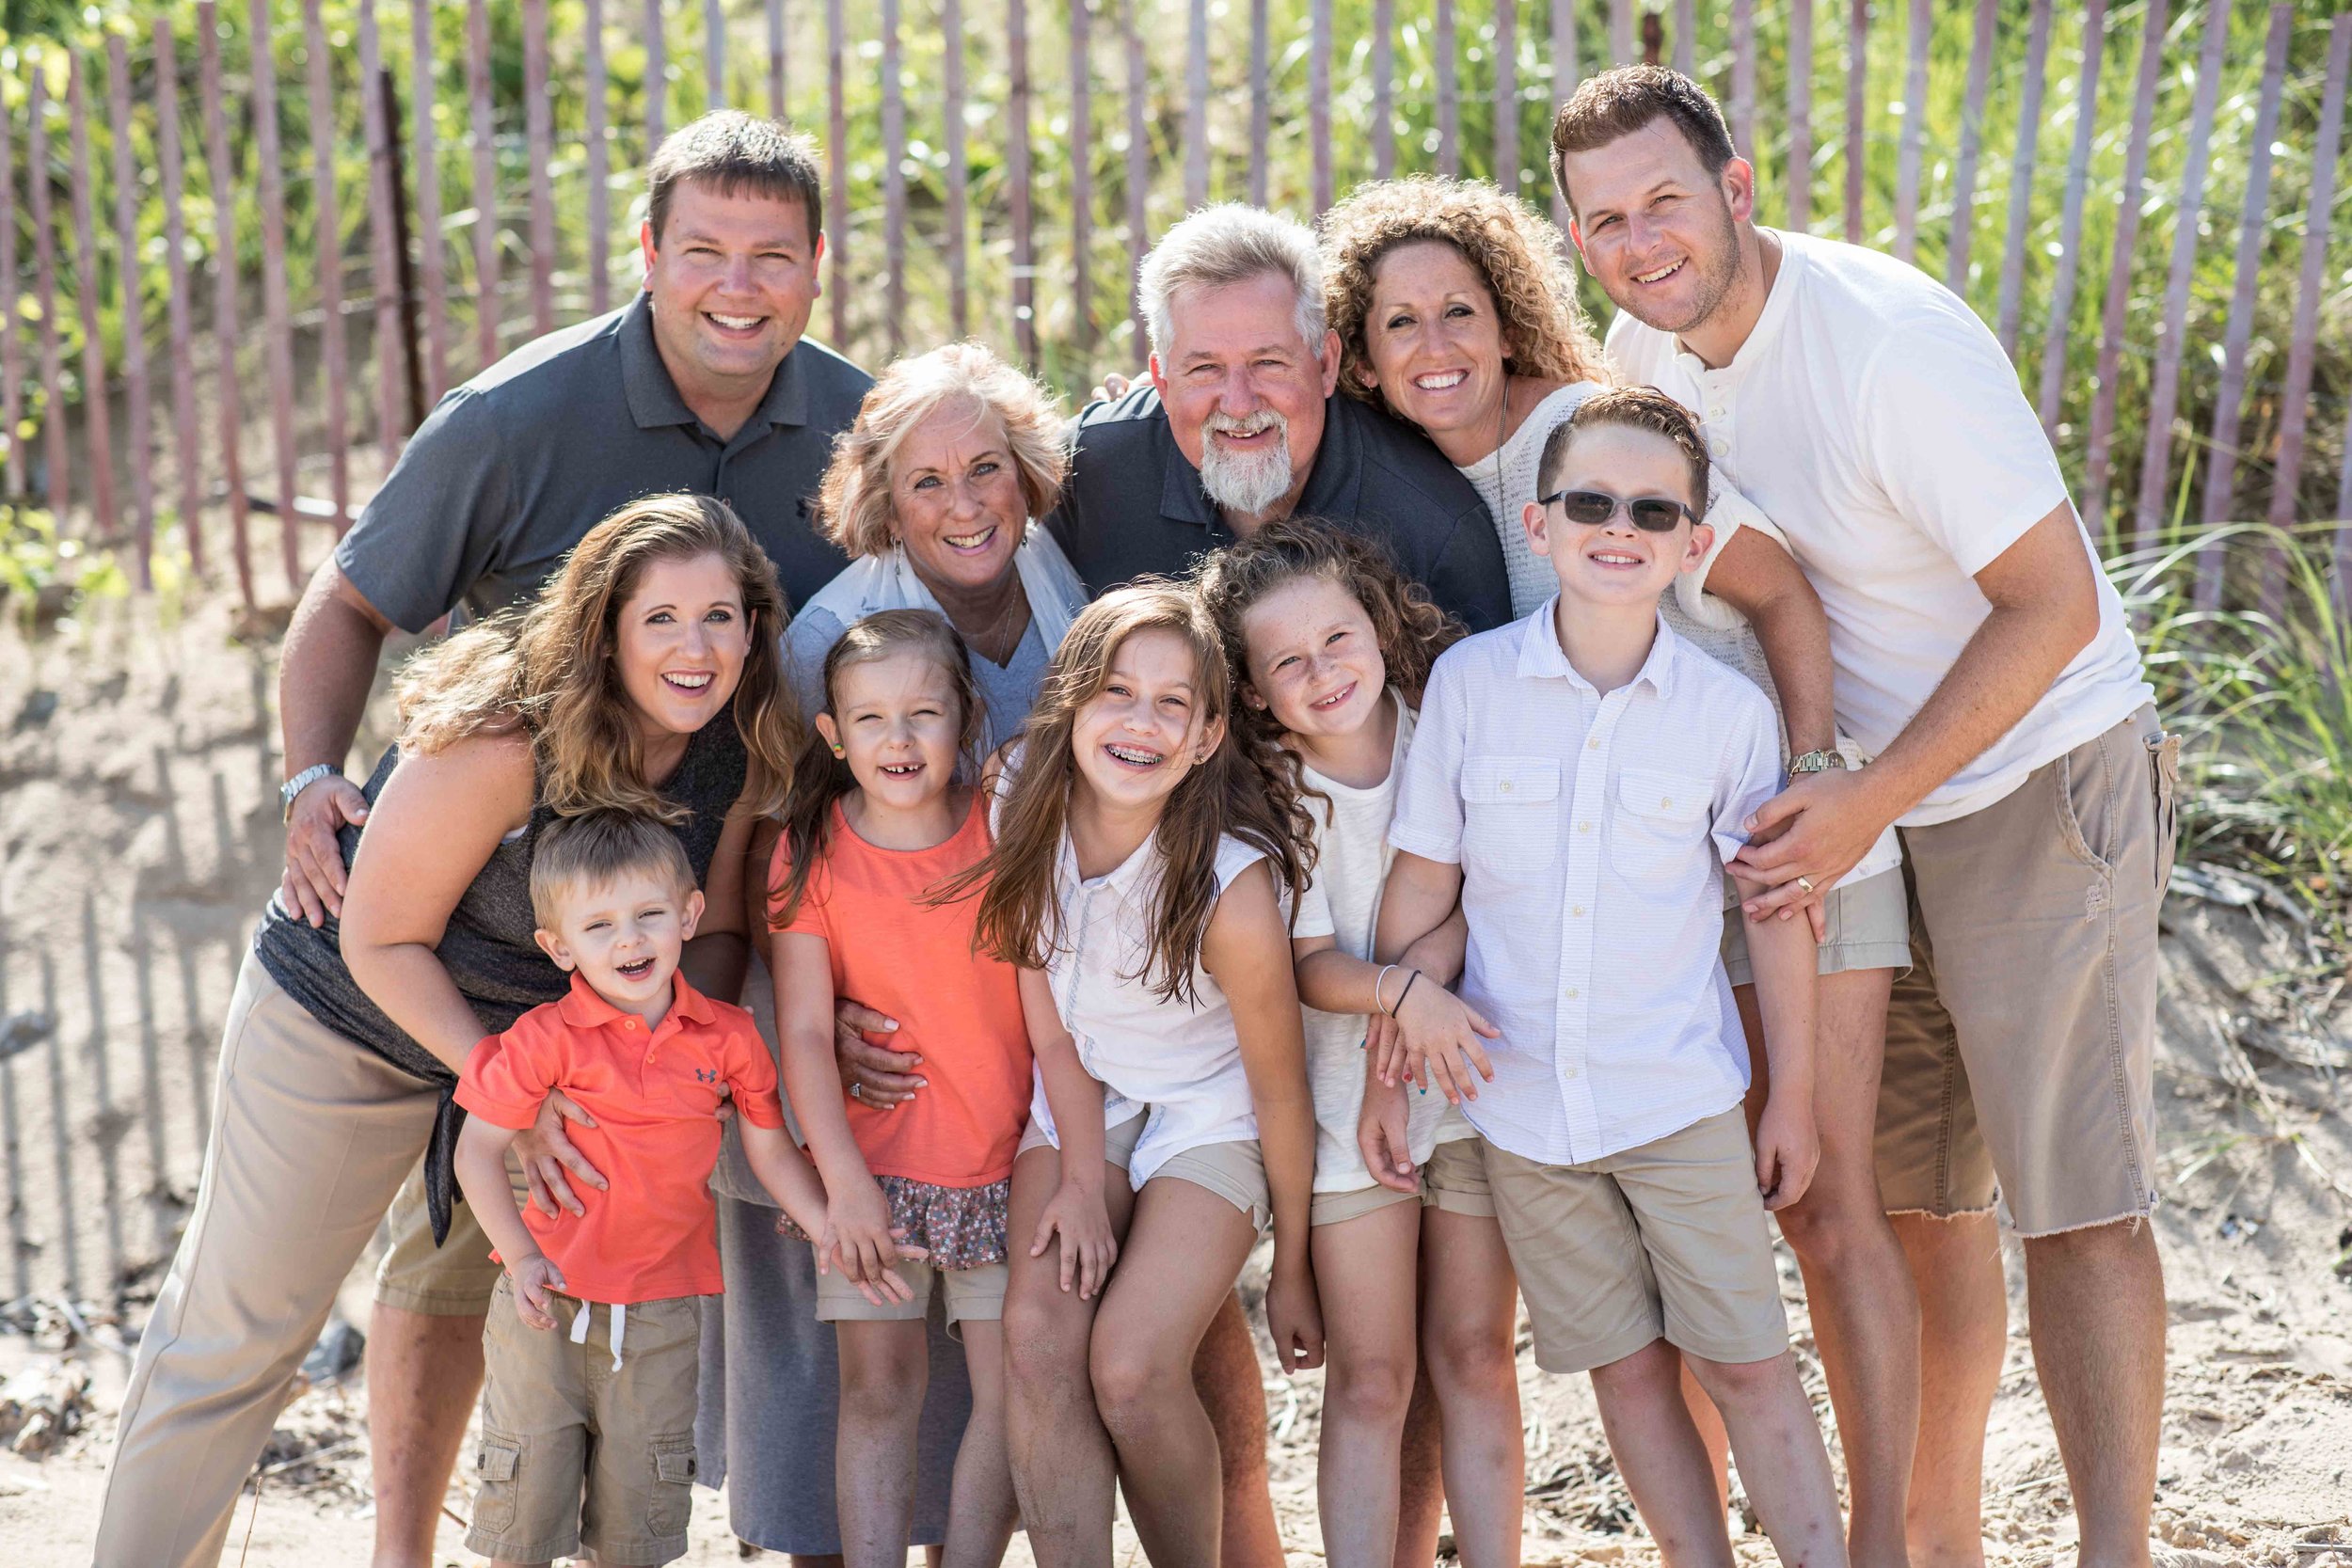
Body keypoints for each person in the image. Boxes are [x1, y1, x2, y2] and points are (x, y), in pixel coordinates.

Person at [1555, 66, 2173, 1568]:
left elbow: (2054, 605)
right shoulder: (1651, 349)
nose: (1642, 242)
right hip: (1871, 814)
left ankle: (2116, 1551)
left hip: (2039, 775)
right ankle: (1941, 1535)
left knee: (2072, 1200)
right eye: (1604, 220)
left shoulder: (1885, 348)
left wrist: (1865, 798)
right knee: (1919, 1203)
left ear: (1739, 188)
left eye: (1665, 201)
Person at [263, 109, 891, 1568]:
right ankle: (405, 1550)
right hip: (485, 932)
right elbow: (355, 599)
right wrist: (307, 777)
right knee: (457, 1249)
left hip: (700, 921)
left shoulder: (859, 429)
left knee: (662, 1263)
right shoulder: (515, 415)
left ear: (817, 269)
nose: (740, 285)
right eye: (705, 251)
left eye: (775, 256)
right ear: (650, 255)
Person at [1324, 172, 1919, 1559]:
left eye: (1459, 308)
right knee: (1624, 1354)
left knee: (1797, 1251)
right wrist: (1401, 1012)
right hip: (1544, 1048)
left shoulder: (1603, 445)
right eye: (1399, 321)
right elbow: (1438, 870)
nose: (1433, 341)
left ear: (1509, 307)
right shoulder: (1457, 616)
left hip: (1739, 844)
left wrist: (1813, 783)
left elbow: (1775, 601)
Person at [93, 495, 794, 1568]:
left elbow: (725, 929)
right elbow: (381, 938)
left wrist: (656, 1059)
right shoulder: (507, 733)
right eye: (661, 618)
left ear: (755, 624)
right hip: (350, 1018)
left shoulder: (735, 748)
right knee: (235, 1338)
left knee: (524, 1343)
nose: (695, 648)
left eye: (720, 617)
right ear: (605, 627)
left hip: (548, 1061)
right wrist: (507, 1091)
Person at [1377, 388, 1848, 1568]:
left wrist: (1790, 1094)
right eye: (1589, 501)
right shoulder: (1470, 689)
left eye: (1652, 508)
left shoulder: (1728, 718)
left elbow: (1778, 915)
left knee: (1746, 1360)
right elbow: (1425, 898)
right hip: (1523, 1110)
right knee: (1626, 1369)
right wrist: (1393, 1054)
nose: (1617, 526)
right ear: (1538, 526)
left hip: (1674, 1100)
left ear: (1695, 543)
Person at [951, 584, 1321, 1568]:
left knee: (1129, 1365)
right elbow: (1048, 1012)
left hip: (1210, 1113)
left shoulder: (1228, 888)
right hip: (1081, 1096)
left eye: (1174, 703)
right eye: (1117, 690)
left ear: (1206, 736)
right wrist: (1078, 1174)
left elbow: (1278, 1090)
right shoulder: (1016, 790)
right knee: (1035, 1332)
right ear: (1071, 698)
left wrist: (1291, 1261)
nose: (1140, 721)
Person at [453, 811, 911, 1568]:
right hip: (546, 1303)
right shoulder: (541, 1039)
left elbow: (769, 1151)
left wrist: (830, 1225)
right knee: (526, 1519)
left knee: (639, 1523)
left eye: (649, 915)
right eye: (598, 925)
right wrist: (521, 1256)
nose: (629, 941)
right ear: (558, 946)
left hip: (663, 1313)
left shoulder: (729, 1038)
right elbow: (478, 1153)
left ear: (691, 914)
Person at [1196, 520, 1523, 1568]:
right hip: (1344, 1108)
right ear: (1251, 691)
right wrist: (1397, 1000)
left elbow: (1503, 887)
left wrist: (1419, 994)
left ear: (1378, 623)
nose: (1321, 671)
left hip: (1471, 1084)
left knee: (1476, 1355)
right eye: (1285, 662)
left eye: (1337, 638)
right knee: (1374, 1374)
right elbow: (1306, 966)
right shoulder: (1271, 796)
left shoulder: (1452, 728)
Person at [769, 611, 1029, 1568]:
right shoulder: (810, 850)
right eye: (870, 718)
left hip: (1006, 1166)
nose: (899, 738)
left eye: (924, 712)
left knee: (1012, 1396)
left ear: (965, 717)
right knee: (878, 1389)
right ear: (833, 734)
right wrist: (840, 1180)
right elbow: (803, 1027)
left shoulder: (1005, 829)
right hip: (872, 1171)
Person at [1046, 203, 1513, 633]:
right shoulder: (1090, 467)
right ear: (1163, 382)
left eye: (1268, 363)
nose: (1239, 403)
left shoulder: (1436, 529)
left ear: (1326, 364)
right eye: (1205, 368)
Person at [787, 343, 1090, 753]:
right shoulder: (822, 643)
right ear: (887, 508)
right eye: (927, 482)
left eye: (985, 468)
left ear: (1024, 471)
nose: (965, 508)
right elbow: (786, 811)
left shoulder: (1069, 556)